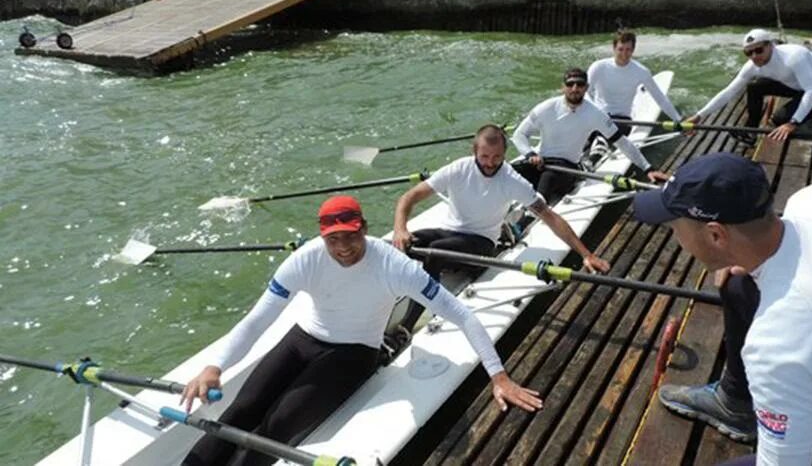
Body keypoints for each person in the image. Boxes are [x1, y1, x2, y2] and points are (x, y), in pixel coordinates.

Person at [180, 196, 542, 466]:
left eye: (350, 237)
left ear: (364, 229)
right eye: (333, 240)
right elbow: (257, 320)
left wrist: (499, 376)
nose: (343, 248)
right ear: (322, 237)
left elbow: (462, 315)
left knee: (277, 426)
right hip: (301, 340)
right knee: (239, 411)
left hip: (353, 354)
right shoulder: (305, 259)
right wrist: (215, 367)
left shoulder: (396, 266)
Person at [632, 152, 812, 465]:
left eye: (674, 226)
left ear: (716, 234)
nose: (675, 236)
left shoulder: (778, 340)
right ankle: (735, 401)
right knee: (739, 286)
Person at [392, 124, 611, 332]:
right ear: (474, 151)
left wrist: (586, 254)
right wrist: (400, 229)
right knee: (404, 244)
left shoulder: (512, 180)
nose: (490, 163)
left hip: (481, 244)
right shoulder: (458, 168)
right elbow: (409, 198)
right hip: (450, 232)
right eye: (484, 156)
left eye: (497, 157)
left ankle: (405, 328)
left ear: (505, 155)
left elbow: (550, 217)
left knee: (435, 253)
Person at [511, 68, 668, 205]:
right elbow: (519, 135)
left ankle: (524, 221)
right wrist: (530, 154)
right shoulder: (546, 108)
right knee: (507, 171)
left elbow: (622, 143)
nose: (574, 88)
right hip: (541, 162)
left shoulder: (595, 114)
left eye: (579, 84)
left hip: (568, 169)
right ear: (562, 87)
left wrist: (648, 168)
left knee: (549, 178)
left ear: (586, 88)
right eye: (570, 84)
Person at [686, 29, 812, 144]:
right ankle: (750, 131)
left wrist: (793, 123)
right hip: (795, 85)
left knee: (780, 120)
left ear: (771, 45)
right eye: (749, 53)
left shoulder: (794, 57)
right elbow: (729, 92)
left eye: (759, 50)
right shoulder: (752, 66)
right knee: (754, 87)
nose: (754, 56)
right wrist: (699, 116)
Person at [586, 30, 682, 135]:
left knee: (611, 130)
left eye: (628, 50)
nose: (624, 54)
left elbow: (660, 99)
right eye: (620, 49)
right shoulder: (598, 67)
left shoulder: (641, 71)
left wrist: (678, 120)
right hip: (600, 116)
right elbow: (585, 92)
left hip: (623, 120)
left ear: (633, 50)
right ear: (614, 48)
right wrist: (591, 113)